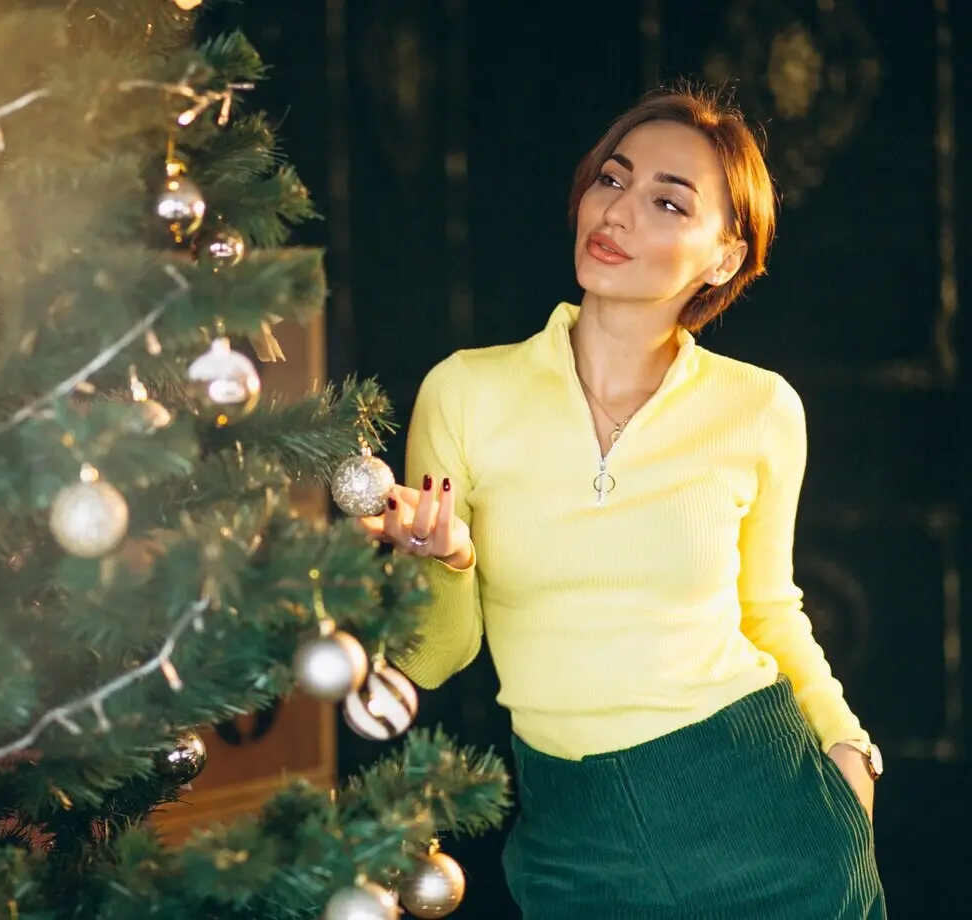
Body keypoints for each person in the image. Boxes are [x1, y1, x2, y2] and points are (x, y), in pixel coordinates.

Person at [358, 85, 886, 919]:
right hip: (573, 837)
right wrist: (452, 562)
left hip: (764, 808)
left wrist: (849, 748)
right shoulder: (464, 391)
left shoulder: (761, 408)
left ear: (723, 256)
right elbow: (430, 658)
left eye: (668, 201)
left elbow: (769, 609)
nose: (619, 212)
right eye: (613, 180)